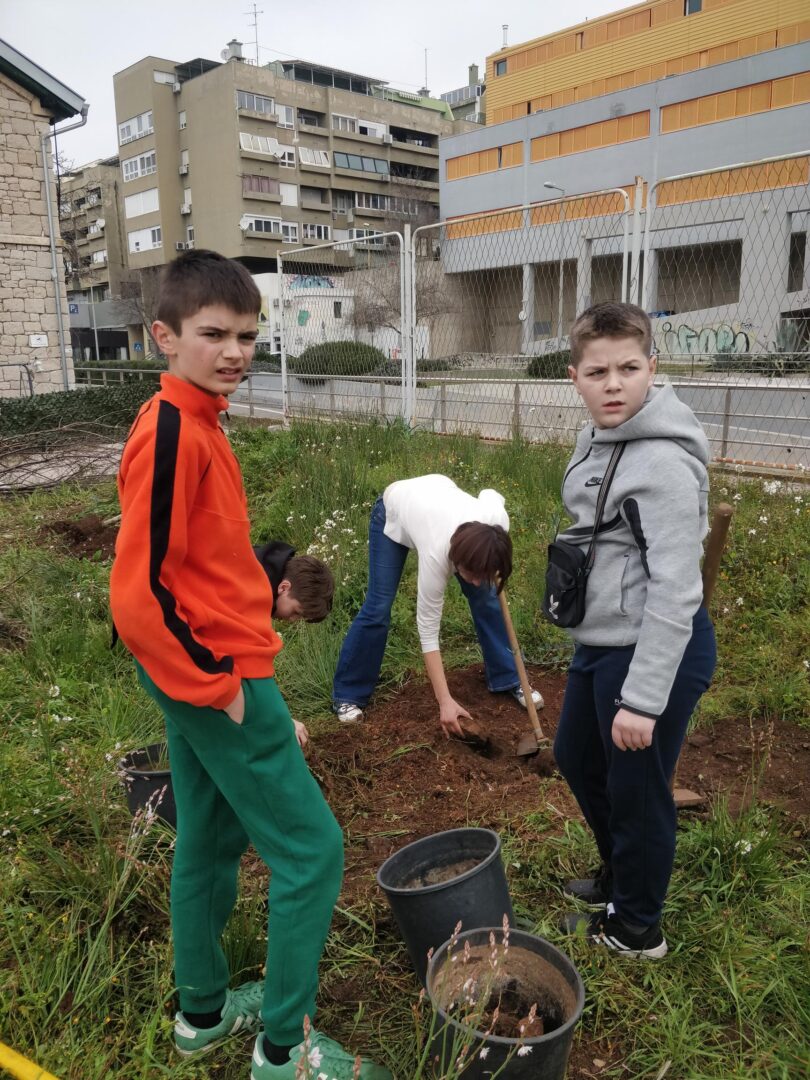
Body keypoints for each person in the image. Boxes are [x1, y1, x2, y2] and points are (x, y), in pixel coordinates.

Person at [110, 249, 390, 1079]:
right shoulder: (171, 430)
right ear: (163, 337)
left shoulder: (202, 419)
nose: (234, 352)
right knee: (314, 852)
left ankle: (201, 1015)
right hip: (218, 678)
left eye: (246, 336)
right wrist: (218, 687)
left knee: (209, 838)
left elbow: (198, 564)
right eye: (213, 335)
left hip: (208, 670)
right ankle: (284, 1048)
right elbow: (140, 592)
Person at [552, 301, 717, 959]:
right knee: (577, 758)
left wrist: (644, 700)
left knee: (637, 791)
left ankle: (638, 928)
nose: (613, 385)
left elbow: (676, 590)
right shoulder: (596, 437)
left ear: (653, 367)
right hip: (602, 641)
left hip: (652, 649)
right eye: (598, 372)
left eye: (628, 368)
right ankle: (620, 877)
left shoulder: (664, 465)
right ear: (575, 378)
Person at [332, 473, 542, 734]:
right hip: (394, 509)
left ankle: (510, 678)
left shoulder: (496, 522)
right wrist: (445, 701)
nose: (477, 581)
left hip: (438, 497)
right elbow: (428, 632)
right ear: (456, 561)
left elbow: (491, 494)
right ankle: (348, 694)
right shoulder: (436, 552)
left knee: (487, 598)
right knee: (378, 606)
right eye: (472, 574)